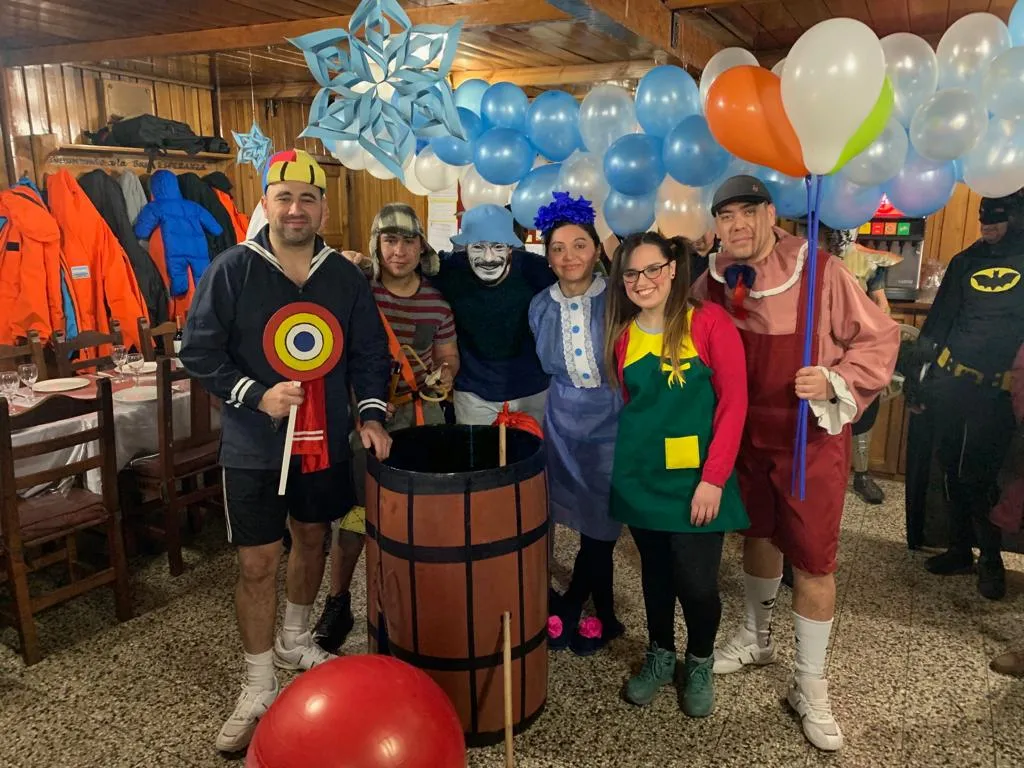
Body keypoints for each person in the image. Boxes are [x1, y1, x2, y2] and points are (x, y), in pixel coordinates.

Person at [179, 149, 393, 753]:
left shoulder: (344, 276)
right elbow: (197, 351)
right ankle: (257, 684)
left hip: (323, 443)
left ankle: (295, 641)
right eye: (284, 198)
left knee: (312, 538)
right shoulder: (232, 269)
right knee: (257, 563)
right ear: (266, 204)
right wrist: (255, 394)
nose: (295, 209)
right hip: (254, 446)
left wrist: (371, 415)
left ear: (322, 208)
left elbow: (369, 353)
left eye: (307, 199)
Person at [693, 176, 898, 751]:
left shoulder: (821, 271)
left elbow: (880, 339)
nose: (736, 225)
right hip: (744, 437)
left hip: (809, 440)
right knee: (758, 535)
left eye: (747, 212)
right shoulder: (711, 279)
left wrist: (834, 379)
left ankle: (810, 682)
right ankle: (756, 637)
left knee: (812, 559)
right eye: (725, 216)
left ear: (770, 214)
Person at [606, 232, 749, 717]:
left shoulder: (709, 322)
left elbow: (733, 405)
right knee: (656, 574)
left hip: (696, 482)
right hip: (641, 478)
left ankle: (700, 660)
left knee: (697, 583)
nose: (641, 281)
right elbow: (633, 405)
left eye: (652, 269)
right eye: (631, 273)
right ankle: (661, 654)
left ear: (672, 269)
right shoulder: (623, 335)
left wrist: (714, 478)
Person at [311, 203, 459, 653]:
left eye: (408, 241)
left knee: (423, 516)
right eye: (389, 240)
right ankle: (338, 601)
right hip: (364, 422)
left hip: (421, 420)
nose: (399, 251)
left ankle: (419, 602)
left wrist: (444, 374)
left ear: (421, 247)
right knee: (357, 515)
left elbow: (448, 356)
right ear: (376, 245)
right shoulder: (357, 292)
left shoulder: (437, 302)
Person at [904, 196, 1024, 600]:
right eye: (982, 217)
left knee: (981, 475)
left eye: (997, 217)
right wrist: (917, 380)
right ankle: (959, 549)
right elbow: (939, 321)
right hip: (953, 383)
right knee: (949, 467)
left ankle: (990, 557)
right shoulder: (966, 261)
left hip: (1000, 391)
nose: (987, 224)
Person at [527, 192, 623, 656]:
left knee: (602, 526)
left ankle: (580, 603)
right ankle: (602, 611)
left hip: (613, 419)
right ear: (547, 257)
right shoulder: (539, 306)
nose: (569, 257)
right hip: (562, 422)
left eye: (580, 245)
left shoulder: (618, 299)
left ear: (597, 249)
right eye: (559, 248)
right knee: (572, 514)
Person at [422, 204, 555, 425]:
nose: (488, 257)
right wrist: (367, 267)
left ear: (511, 248)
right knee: (478, 449)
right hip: (474, 395)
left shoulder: (537, 271)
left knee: (532, 448)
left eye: (497, 246)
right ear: (465, 248)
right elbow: (410, 269)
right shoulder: (449, 271)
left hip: (534, 390)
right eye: (478, 247)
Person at [826, 228, 900, 505]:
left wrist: (873, 327)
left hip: (855, 343)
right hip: (822, 345)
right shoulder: (804, 256)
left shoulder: (867, 260)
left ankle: (862, 474)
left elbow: (881, 303)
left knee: (864, 408)